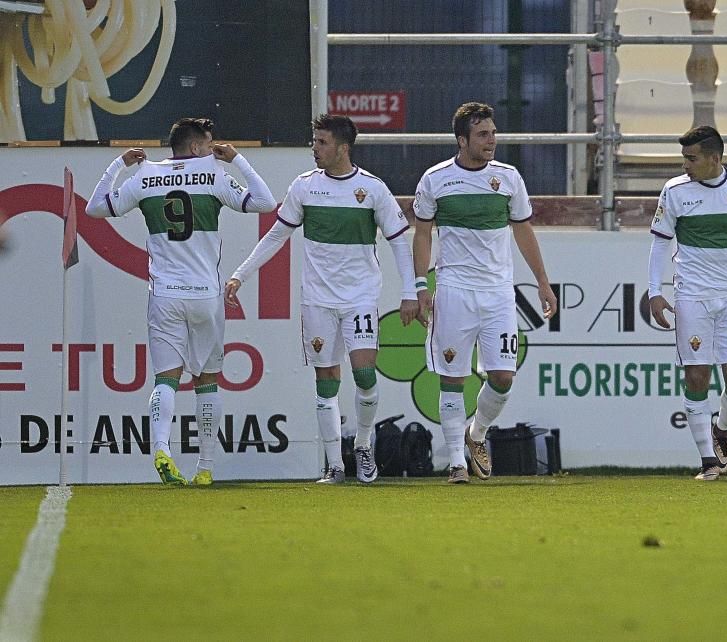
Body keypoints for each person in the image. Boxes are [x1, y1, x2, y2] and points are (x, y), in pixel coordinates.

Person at [225, 114, 418, 485]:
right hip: (318, 300)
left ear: (343, 148)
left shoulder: (372, 189)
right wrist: (240, 274)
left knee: (364, 375)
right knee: (326, 380)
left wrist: (410, 292)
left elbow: (398, 242)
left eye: (322, 142)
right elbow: (276, 237)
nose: (315, 148)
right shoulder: (304, 187)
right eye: (314, 141)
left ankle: (363, 445)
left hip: (360, 296)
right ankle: (334, 465)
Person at [85, 117, 277, 486]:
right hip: (205, 295)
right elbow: (265, 202)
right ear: (195, 148)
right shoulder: (214, 174)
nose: (213, 148)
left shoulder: (144, 175)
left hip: (165, 295)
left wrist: (117, 165)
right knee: (207, 381)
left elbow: (95, 208)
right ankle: (205, 468)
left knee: (165, 380)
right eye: (208, 143)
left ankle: (161, 449)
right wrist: (236, 159)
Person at [413, 101, 557, 484]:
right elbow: (423, 233)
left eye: (493, 133)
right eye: (482, 134)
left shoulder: (508, 178)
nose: (491, 140)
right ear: (462, 140)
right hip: (454, 291)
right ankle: (457, 463)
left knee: (504, 377)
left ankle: (475, 434)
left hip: (497, 294)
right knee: (451, 378)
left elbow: (524, 231)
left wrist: (542, 281)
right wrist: (420, 287)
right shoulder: (435, 179)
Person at [647, 125, 727, 481]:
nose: (685, 165)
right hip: (692, 295)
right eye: (684, 158)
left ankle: (721, 429)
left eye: (691, 158)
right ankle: (708, 461)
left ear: (714, 158)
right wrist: (655, 291)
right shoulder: (674, 192)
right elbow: (659, 244)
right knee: (697, 374)